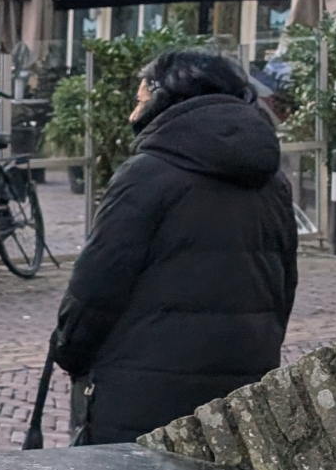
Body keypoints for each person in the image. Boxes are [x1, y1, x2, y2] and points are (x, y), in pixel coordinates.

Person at [52, 48, 297, 444]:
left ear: (162, 99)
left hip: (138, 395)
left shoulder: (146, 176)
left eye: (140, 99)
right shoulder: (272, 182)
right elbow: (283, 288)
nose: (132, 112)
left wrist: (68, 349)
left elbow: (97, 285)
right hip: (239, 390)